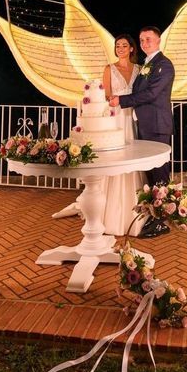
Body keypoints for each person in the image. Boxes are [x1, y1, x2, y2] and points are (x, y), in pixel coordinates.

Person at [52, 34, 144, 236]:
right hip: (115, 115)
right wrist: (120, 100)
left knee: (131, 154)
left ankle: (134, 207)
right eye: (117, 45)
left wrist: (131, 101)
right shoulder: (109, 69)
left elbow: (142, 92)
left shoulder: (139, 70)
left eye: (124, 45)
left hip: (132, 117)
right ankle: (108, 212)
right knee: (115, 154)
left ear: (131, 49)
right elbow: (107, 95)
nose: (120, 48)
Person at [110, 26, 174, 237]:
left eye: (148, 39)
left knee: (160, 174)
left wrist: (122, 101)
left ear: (158, 41)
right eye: (142, 40)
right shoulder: (146, 64)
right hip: (144, 125)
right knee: (150, 174)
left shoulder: (163, 64)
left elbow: (152, 93)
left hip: (157, 126)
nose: (145, 43)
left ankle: (162, 221)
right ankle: (154, 215)